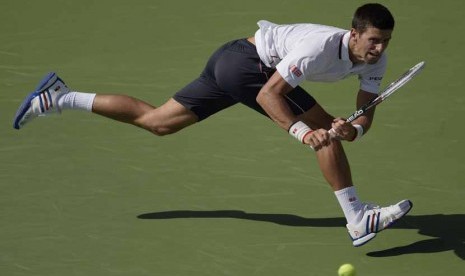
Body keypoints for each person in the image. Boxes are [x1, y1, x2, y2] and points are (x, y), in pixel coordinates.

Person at [13, 3, 412, 247]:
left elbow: (367, 108)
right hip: (247, 66)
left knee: (158, 122)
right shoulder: (317, 48)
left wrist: (354, 129)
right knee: (321, 128)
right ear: (354, 33)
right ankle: (357, 218)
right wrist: (305, 131)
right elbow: (268, 95)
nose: (379, 49)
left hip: (231, 60)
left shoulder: (375, 61)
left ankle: (60, 97)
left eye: (385, 42)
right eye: (373, 40)